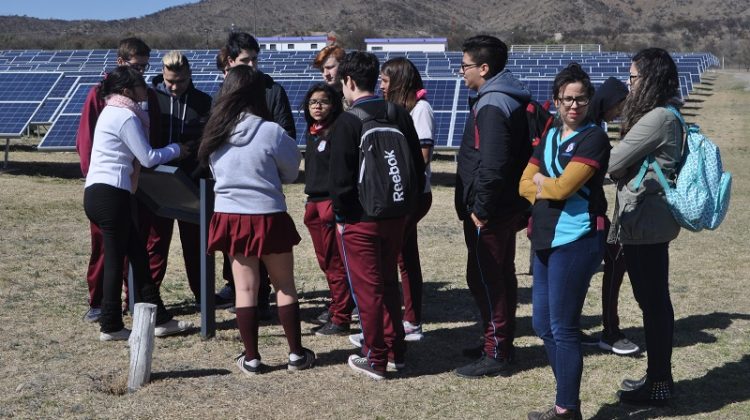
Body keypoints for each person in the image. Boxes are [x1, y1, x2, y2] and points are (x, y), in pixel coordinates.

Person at [198, 65, 314, 375]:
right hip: (267, 214)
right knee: (284, 286)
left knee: (244, 290)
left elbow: (213, 172)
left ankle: (251, 358)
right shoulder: (271, 131)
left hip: (231, 216)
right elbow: (291, 170)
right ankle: (296, 355)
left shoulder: (214, 131)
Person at [520, 63, 610, 420]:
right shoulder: (551, 135)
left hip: (577, 239)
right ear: (555, 101)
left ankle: (566, 409)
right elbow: (523, 183)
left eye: (581, 99)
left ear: (589, 101)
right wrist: (543, 187)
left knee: (563, 327)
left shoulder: (594, 138)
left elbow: (563, 187)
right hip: (545, 236)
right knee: (542, 325)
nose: (574, 105)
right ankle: (566, 401)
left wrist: (544, 184)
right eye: (567, 99)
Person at [329, 51, 425, 380]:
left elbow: (340, 182)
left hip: (361, 219)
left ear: (349, 81)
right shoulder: (398, 113)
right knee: (388, 283)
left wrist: (343, 219)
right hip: (396, 213)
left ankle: (376, 357)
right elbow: (415, 162)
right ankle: (396, 349)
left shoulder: (347, 121)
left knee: (368, 291)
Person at [83, 66, 193, 341]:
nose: (146, 91)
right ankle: (110, 324)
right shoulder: (124, 116)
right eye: (141, 86)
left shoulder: (112, 112)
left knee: (139, 257)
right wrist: (178, 149)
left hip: (100, 193)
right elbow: (146, 157)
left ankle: (159, 318)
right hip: (112, 194)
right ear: (126, 91)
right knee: (116, 260)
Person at [608, 48, 684, 406]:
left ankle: (659, 383)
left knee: (653, 304)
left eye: (634, 77)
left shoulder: (657, 118)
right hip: (648, 220)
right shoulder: (665, 114)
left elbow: (615, 162)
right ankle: (658, 377)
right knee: (653, 302)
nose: (629, 83)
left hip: (646, 222)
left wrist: (621, 165)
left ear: (650, 79)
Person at [453, 35, 532, 378]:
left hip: (492, 210)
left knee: (488, 277)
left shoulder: (492, 104)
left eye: (465, 65)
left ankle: (497, 350)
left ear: (484, 68)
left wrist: (481, 208)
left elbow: (494, 163)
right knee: (497, 275)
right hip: (502, 206)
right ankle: (497, 340)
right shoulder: (501, 98)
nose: (461, 72)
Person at [76, 37, 162, 323]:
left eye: (145, 66)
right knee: (109, 250)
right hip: (110, 186)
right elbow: (88, 141)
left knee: (137, 248)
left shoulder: (144, 99)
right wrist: (95, 175)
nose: (143, 73)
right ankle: (102, 306)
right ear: (121, 63)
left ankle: (144, 305)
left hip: (132, 182)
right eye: (137, 66)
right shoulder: (104, 99)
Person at [215, 32, 296, 314]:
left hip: (265, 182)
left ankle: (260, 300)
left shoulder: (273, 90)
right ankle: (244, 296)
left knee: (271, 259)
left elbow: (287, 134)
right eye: (245, 60)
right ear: (230, 61)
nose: (251, 66)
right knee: (241, 256)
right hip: (234, 192)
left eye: (255, 60)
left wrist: (264, 151)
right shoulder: (224, 94)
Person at [144, 50, 212, 304]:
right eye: (170, 80)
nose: (174, 86)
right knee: (155, 244)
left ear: (190, 75)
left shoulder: (203, 102)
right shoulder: (150, 99)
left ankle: (203, 296)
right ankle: (149, 297)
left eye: (180, 81)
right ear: (162, 73)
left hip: (192, 182)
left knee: (196, 246)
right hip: (157, 181)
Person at [582, 77, 640, 355]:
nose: (619, 112)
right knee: (616, 261)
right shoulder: (591, 132)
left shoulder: (587, 126)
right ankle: (610, 330)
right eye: (618, 106)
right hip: (587, 213)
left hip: (590, 210)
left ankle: (597, 327)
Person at [380, 57, 434, 341]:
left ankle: (408, 319)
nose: (381, 86)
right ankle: (411, 318)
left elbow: (422, 155)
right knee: (405, 255)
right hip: (401, 193)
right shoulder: (397, 110)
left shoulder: (420, 109)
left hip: (413, 194)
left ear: (399, 81)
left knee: (399, 255)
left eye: (386, 81)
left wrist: (396, 173)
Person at [299, 83, 354, 336]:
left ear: (334, 104)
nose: (317, 106)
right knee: (325, 262)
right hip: (313, 203)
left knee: (335, 263)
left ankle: (341, 317)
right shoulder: (312, 133)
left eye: (323, 101)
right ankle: (336, 306)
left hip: (329, 204)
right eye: (312, 102)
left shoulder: (337, 133)